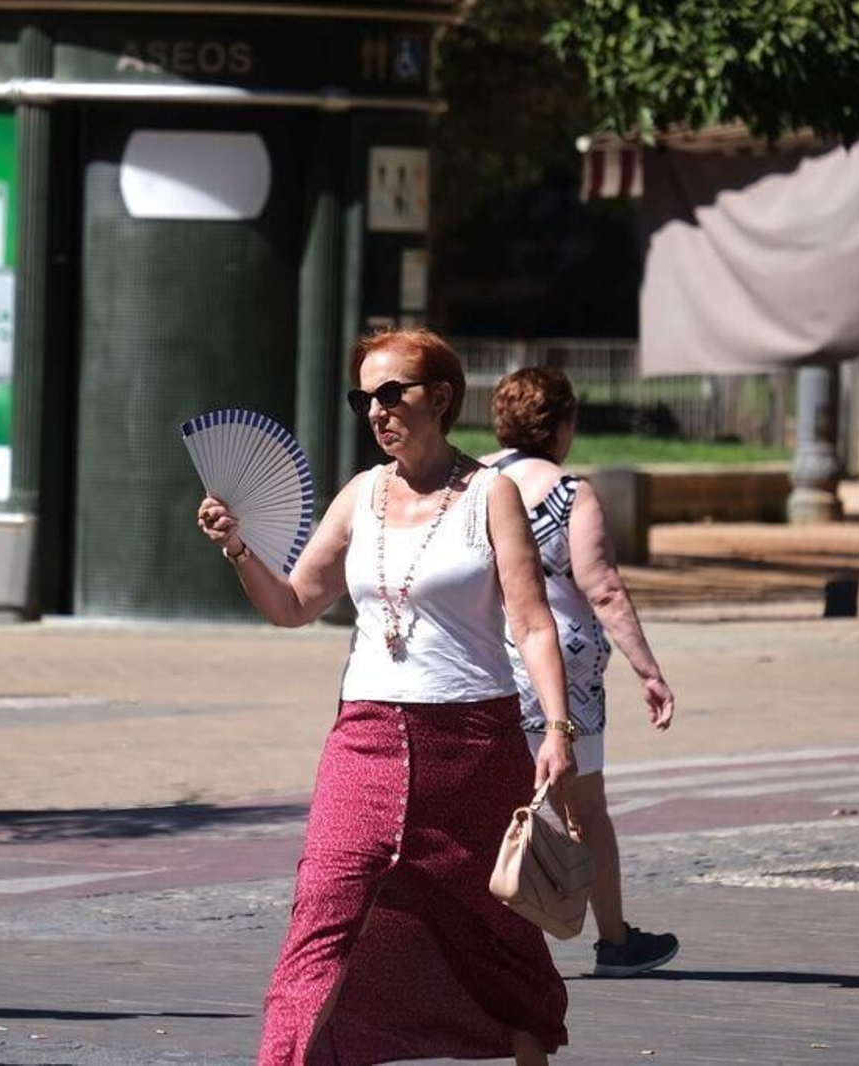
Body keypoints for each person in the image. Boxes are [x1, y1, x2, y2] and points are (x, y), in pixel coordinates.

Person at [197, 328, 577, 1064]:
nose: (376, 410)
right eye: (364, 398)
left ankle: (527, 1044)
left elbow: (532, 624)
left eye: (392, 393)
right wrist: (238, 548)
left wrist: (557, 729)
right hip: (364, 739)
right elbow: (293, 604)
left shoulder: (492, 495)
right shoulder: (360, 495)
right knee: (322, 908)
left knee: (492, 924)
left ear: (441, 397)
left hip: (473, 743)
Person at [481, 366, 679, 978]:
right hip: (563, 672)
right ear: (562, 426)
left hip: (486, 657)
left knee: (493, 802)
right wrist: (649, 671)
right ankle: (614, 941)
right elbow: (604, 590)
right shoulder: (570, 493)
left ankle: (487, 943)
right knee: (583, 808)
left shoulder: (475, 483)